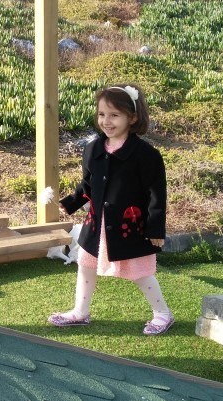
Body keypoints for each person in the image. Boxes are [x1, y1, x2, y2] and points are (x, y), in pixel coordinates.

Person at [48, 84, 173, 335]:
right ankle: (80, 312)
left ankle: (163, 314)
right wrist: (70, 202)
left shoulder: (146, 155)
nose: (106, 121)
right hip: (96, 225)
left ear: (132, 117)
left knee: (140, 271)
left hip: (130, 227)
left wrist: (155, 229)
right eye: (102, 114)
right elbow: (88, 184)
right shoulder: (93, 149)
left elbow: (156, 194)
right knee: (85, 264)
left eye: (114, 115)